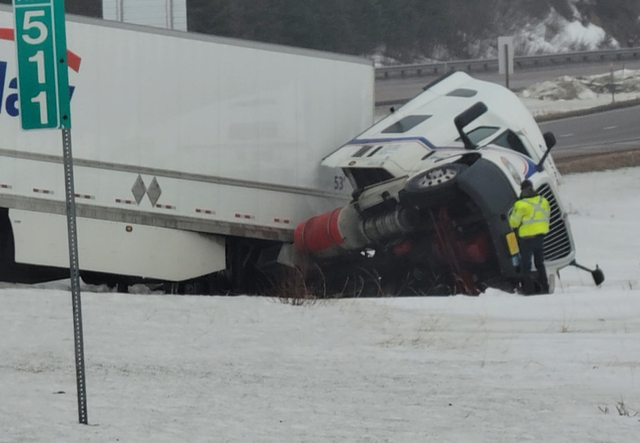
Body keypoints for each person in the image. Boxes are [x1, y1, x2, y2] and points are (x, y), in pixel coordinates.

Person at [509, 179, 551, 294]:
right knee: (540, 264)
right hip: (540, 236)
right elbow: (547, 215)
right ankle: (545, 288)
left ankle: (529, 290)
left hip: (526, 239)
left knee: (526, 266)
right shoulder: (543, 201)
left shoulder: (521, 204)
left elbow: (513, 223)